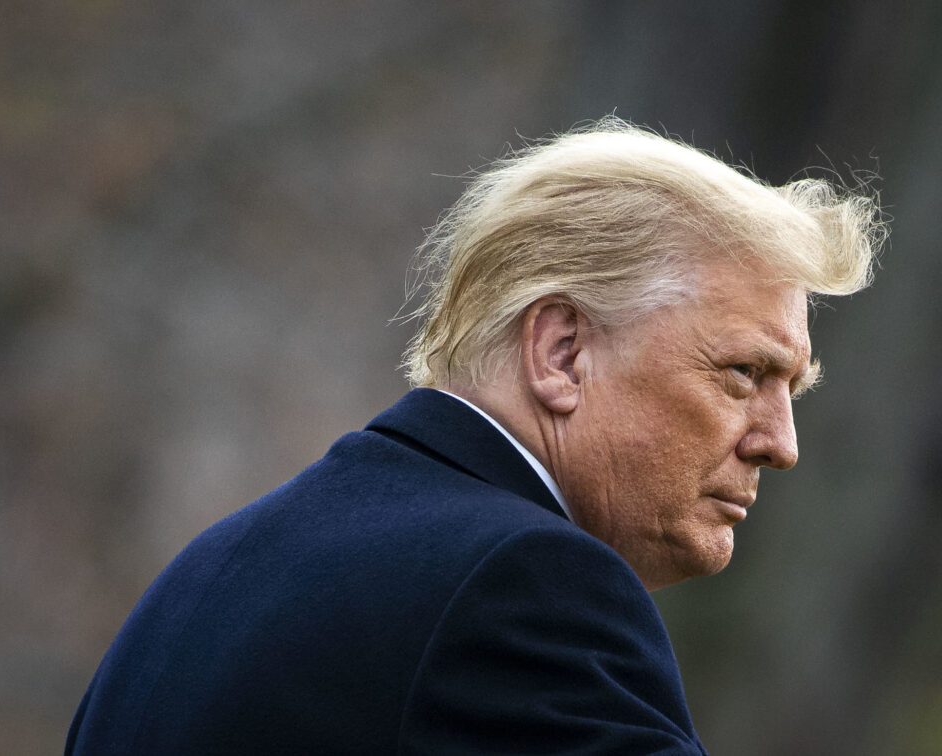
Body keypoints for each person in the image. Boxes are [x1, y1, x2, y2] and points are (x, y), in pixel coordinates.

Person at [65, 119, 882, 754]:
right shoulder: (524, 589)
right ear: (561, 353)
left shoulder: (208, 574)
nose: (781, 442)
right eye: (743, 373)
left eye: (792, 388)